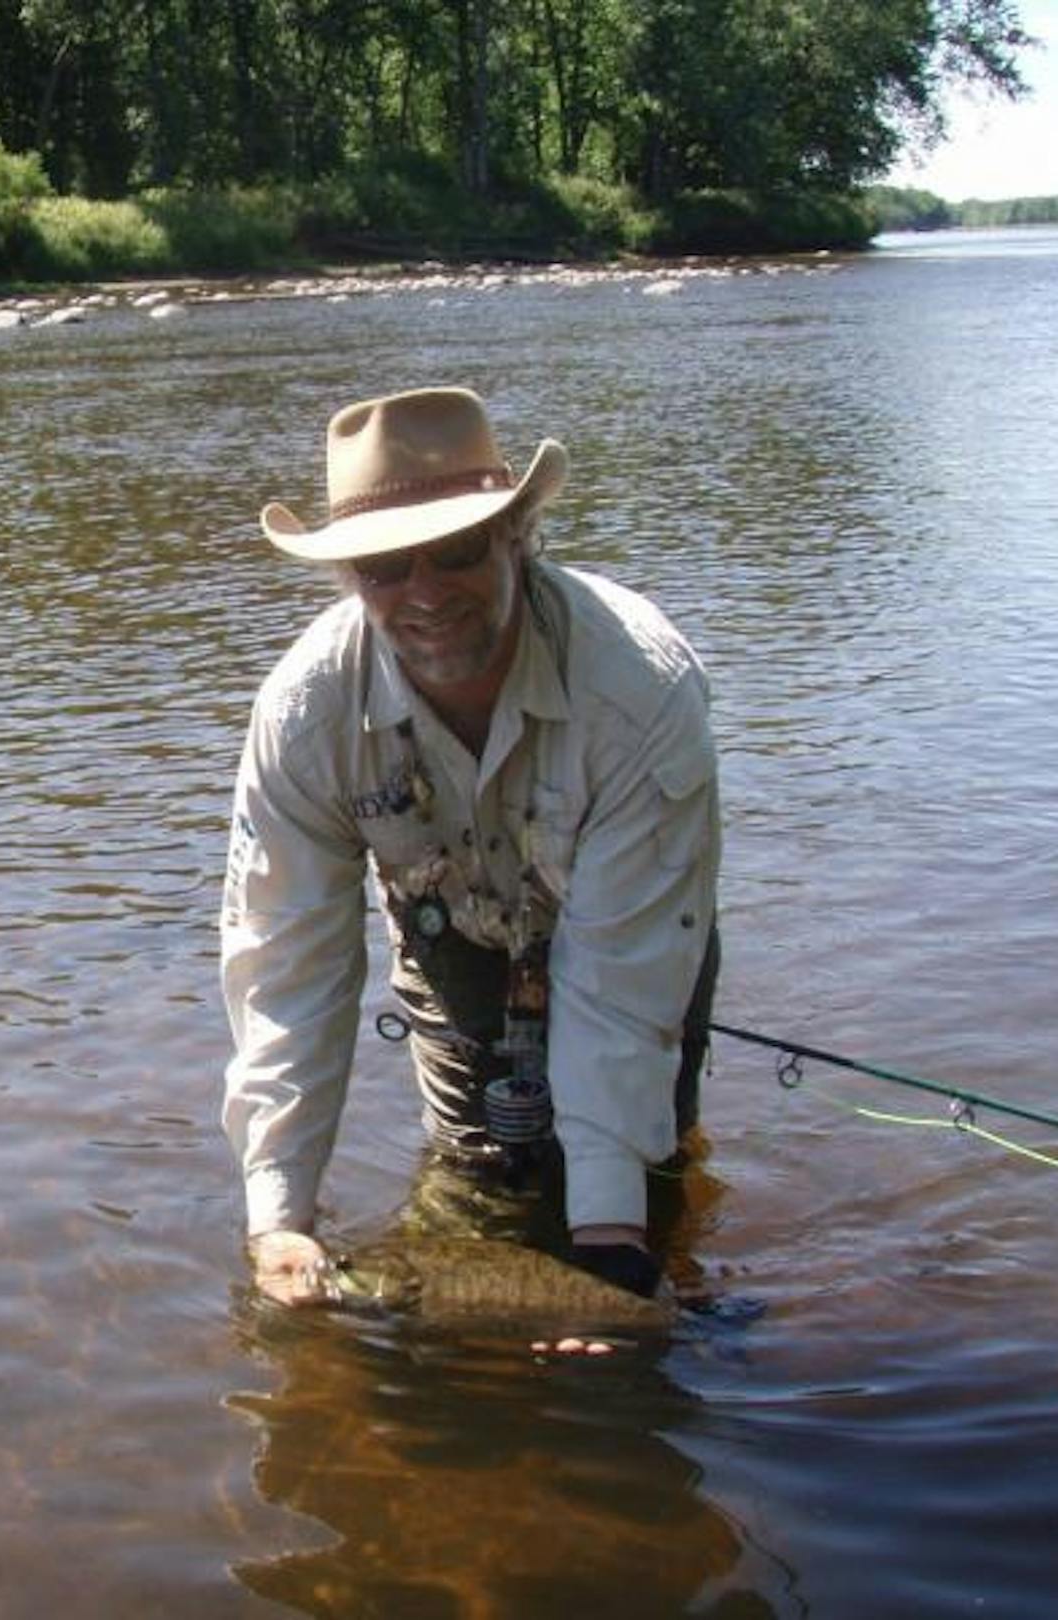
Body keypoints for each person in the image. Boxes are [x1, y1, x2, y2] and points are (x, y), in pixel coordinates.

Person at [221, 386, 721, 1308]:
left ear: (518, 538)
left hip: (634, 925)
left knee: (641, 1176)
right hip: (447, 932)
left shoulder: (638, 692)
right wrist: (279, 1219)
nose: (423, 593)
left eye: (456, 551)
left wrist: (607, 1250)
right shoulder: (303, 716)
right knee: (478, 1172)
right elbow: (287, 967)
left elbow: (622, 983)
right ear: (349, 578)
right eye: (382, 566)